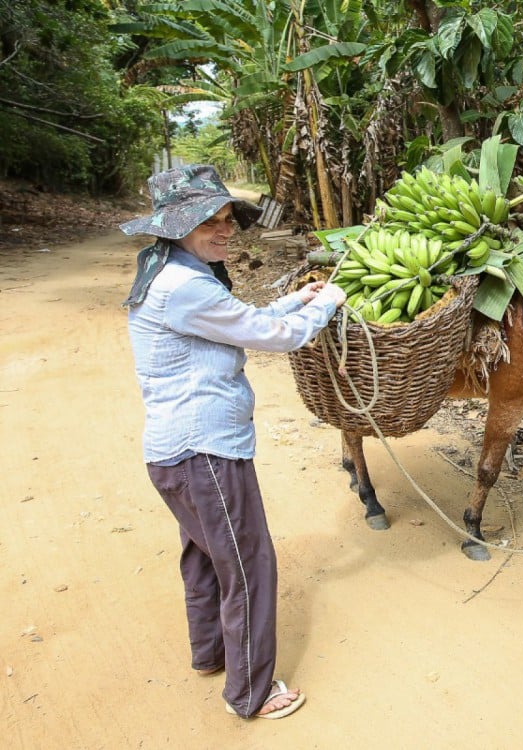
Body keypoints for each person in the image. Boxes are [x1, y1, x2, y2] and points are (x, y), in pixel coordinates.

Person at [121, 164, 346, 720]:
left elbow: (244, 319)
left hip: (175, 452)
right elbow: (278, 337)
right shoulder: (187, 286)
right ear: (176, 227)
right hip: (206, 452)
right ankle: (250, 692)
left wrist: (299, 298)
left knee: (204, 556)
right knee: (248, 564)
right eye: (207, 223)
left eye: (226, 220)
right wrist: (327, 302)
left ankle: (210, 654)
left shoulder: (170, 271)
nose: (223, 231)